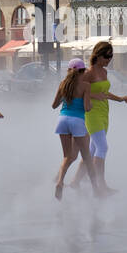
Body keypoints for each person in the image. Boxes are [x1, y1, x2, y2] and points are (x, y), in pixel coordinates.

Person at [71, 41, 127, 192]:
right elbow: (77, 91)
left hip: (104, 113)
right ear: (97, 55)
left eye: (111, 56)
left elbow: (105, 94)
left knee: (91, 151)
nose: (109, 59)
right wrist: (93, 95)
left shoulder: (104, 72)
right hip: (92, 114)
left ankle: (76, 182)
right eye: (107, 56)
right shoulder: (89, 73)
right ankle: (100, 185)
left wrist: (120, 99)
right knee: (102, 147)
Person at [52, 58, 98, 200]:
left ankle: (60, 182)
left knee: (67, 156)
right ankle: (96, 190)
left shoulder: (62, 84)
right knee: (87, 158)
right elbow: (86, 108)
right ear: (83, 71)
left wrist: (65, 98)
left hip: (62, 120)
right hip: (77, 121)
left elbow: (54, 105)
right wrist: (91, 105)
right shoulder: (85, 86)